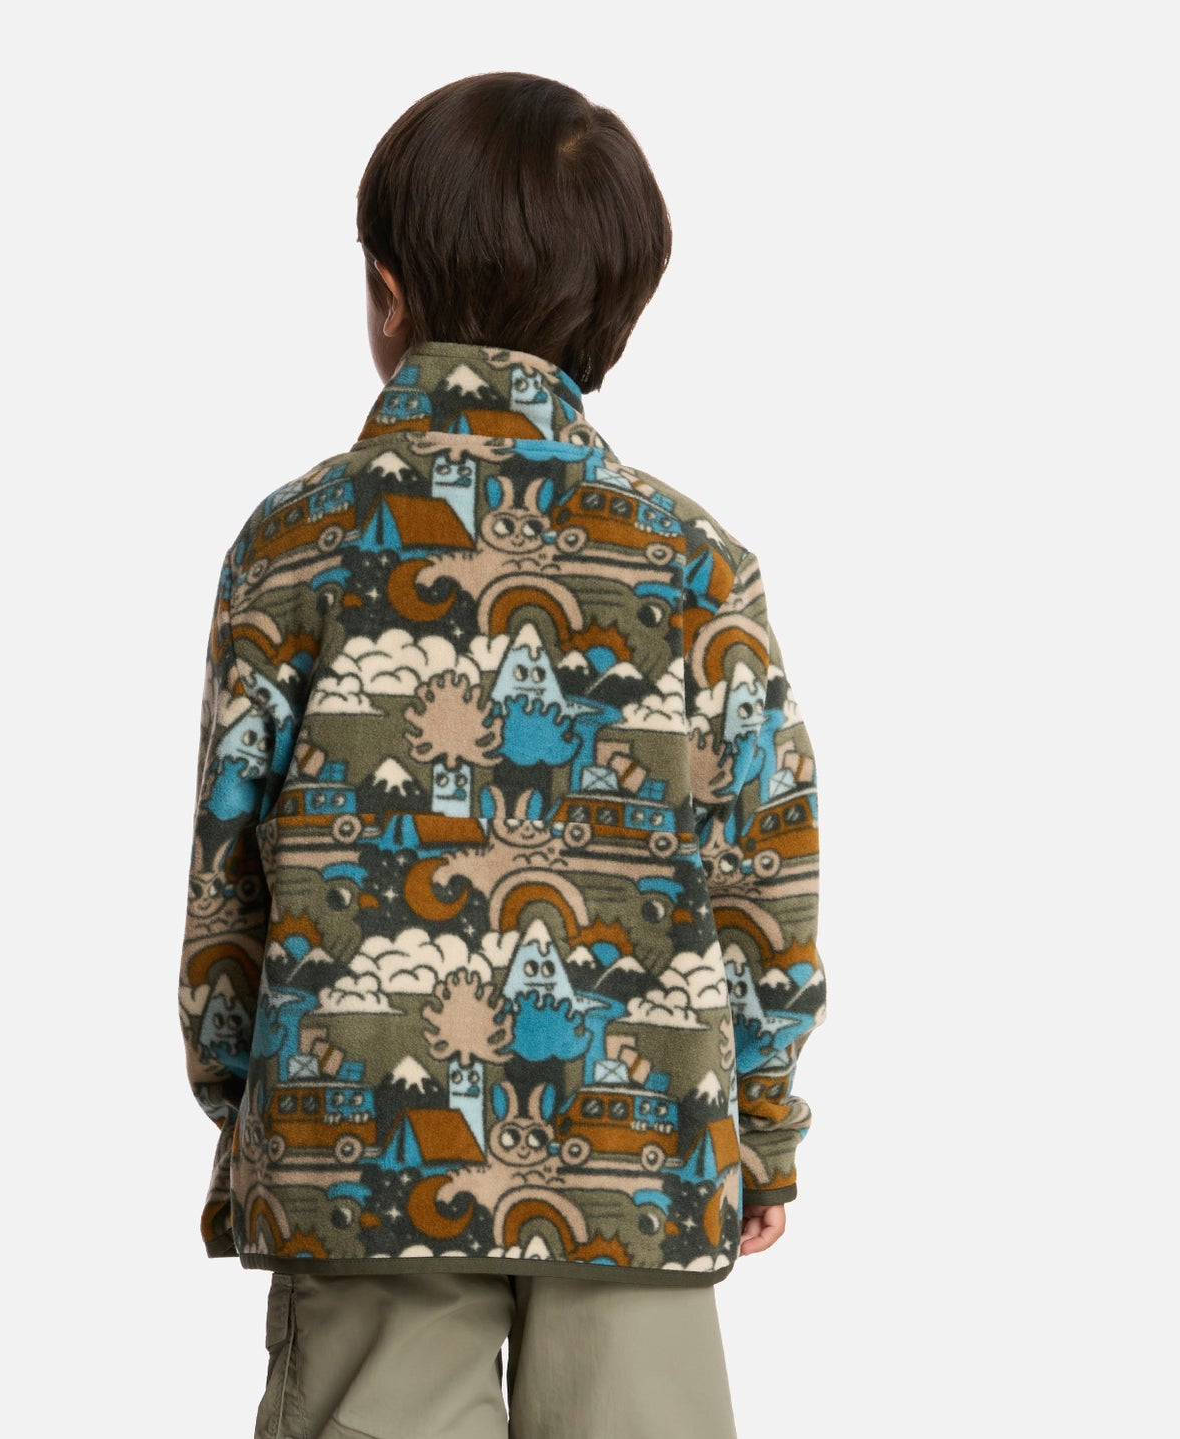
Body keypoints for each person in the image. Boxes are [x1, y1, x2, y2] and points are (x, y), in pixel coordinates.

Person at [177, 71, 826, 1439]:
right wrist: (760, 1122)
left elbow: (229, 874)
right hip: (638, 1156)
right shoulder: (693, 562)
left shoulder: (295, 544)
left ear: (386, 291)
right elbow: (761, 869)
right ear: (615, 318)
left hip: (364, 1150)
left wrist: (251, 1103)